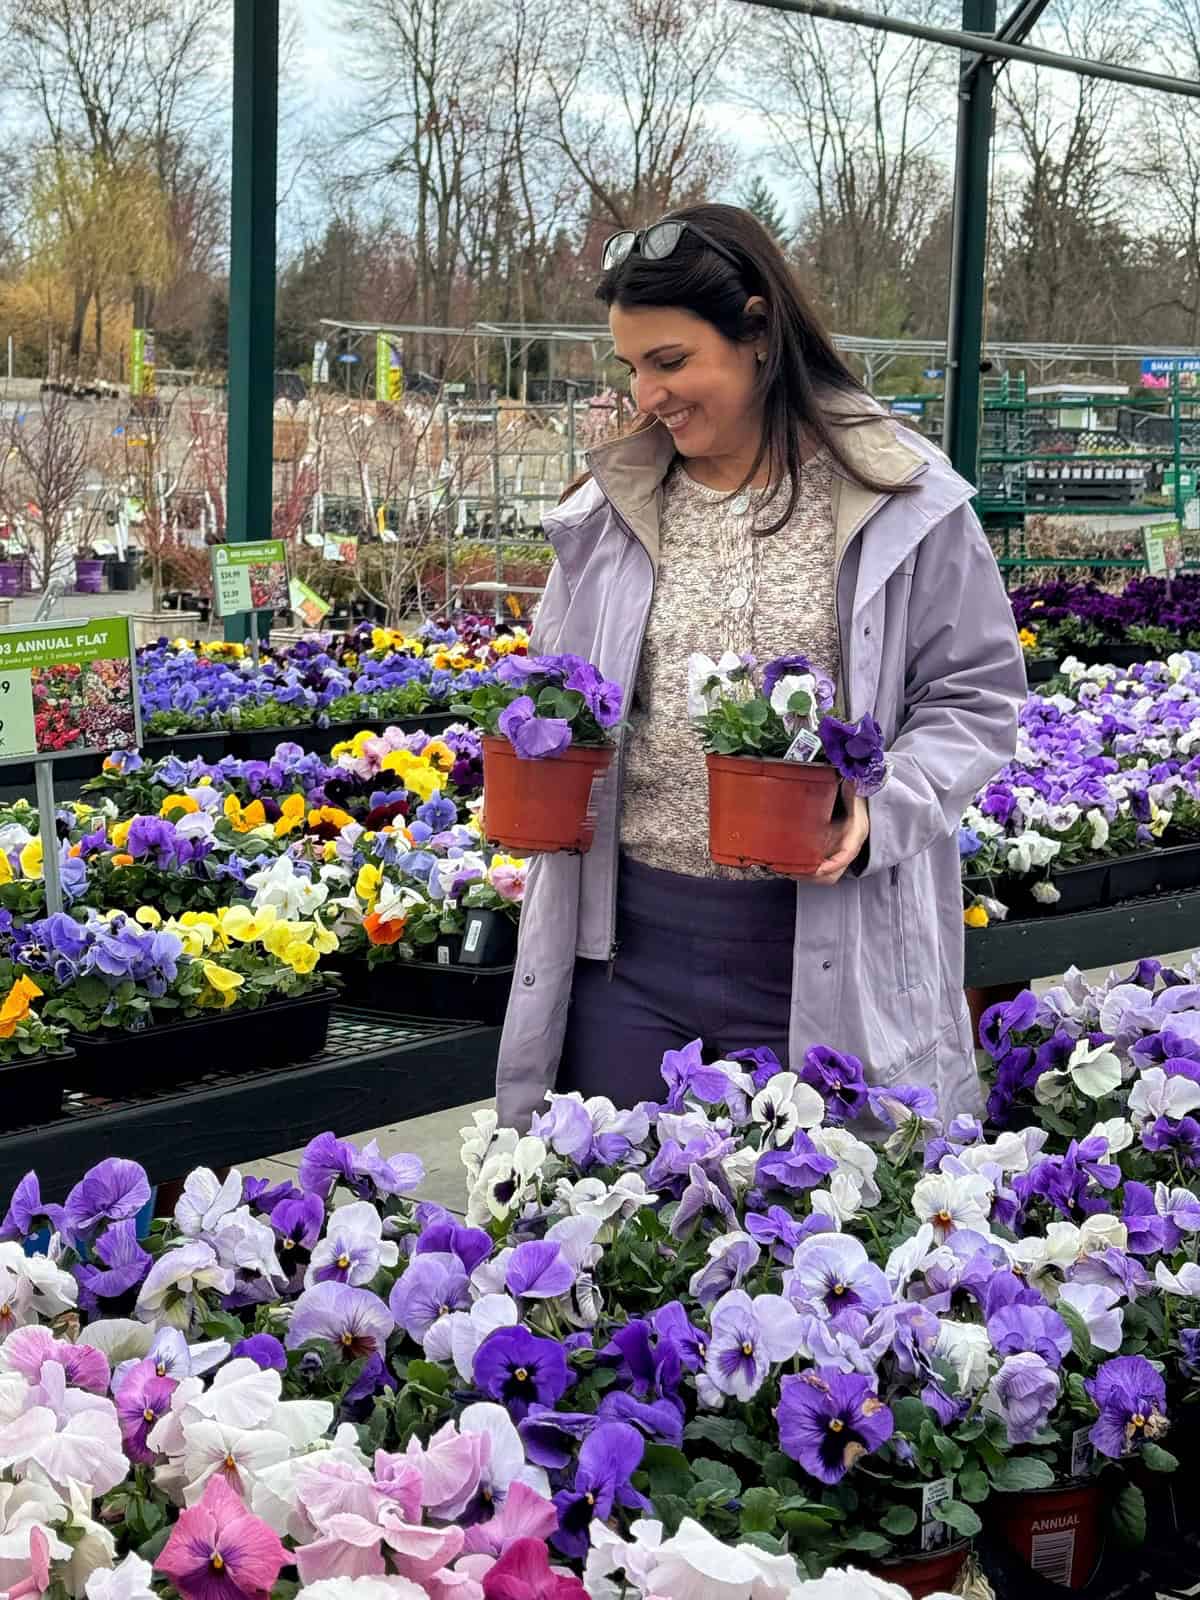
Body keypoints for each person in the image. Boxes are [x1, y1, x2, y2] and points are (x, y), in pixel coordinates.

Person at [495, 203, 1024, 1131]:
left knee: (827, 1203)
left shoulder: (901, 497)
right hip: (627, 961)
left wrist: (880, 805)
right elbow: (559, 690)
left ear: (758, 332)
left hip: (828, 953)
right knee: (616, 1206)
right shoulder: (608, 509)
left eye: (670, 361)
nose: (647, 395)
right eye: (630, 367)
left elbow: (975, 696)